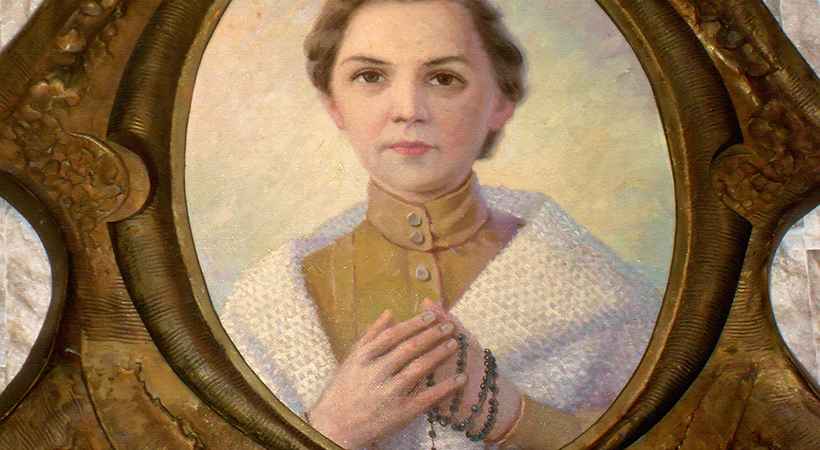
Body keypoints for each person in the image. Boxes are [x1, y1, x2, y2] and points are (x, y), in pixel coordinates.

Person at [220, 1, 660, 448]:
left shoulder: (601, 293)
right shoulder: (270, 305)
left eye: (444, 79)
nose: (408, 110)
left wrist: (519, 418)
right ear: (334, 104)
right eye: (370, 76)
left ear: (500, 102)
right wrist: (331, 430)